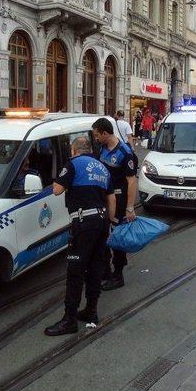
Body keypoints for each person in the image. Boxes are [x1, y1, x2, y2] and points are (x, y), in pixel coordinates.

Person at [44, 137, 115, 336]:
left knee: (75, 271)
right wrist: (110, 224)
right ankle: (91, 311)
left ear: (74, 150)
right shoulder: (102, 168)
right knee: (95, 268)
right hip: (101, 222)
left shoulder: (73, 164)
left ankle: (69, 319)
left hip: (84, 223)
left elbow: (57, 190)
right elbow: (111, 199)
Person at [92, 118, 137, 291]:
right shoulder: (101, 148)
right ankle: (105, 269)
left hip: (119, 201)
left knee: (117, 236)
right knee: (103, 233)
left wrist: (130, 207)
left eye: (97, 135)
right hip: (103, 198)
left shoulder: (125, 153)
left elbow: (131, 181)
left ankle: (118, 275)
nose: (95, 138)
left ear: (105, 133)